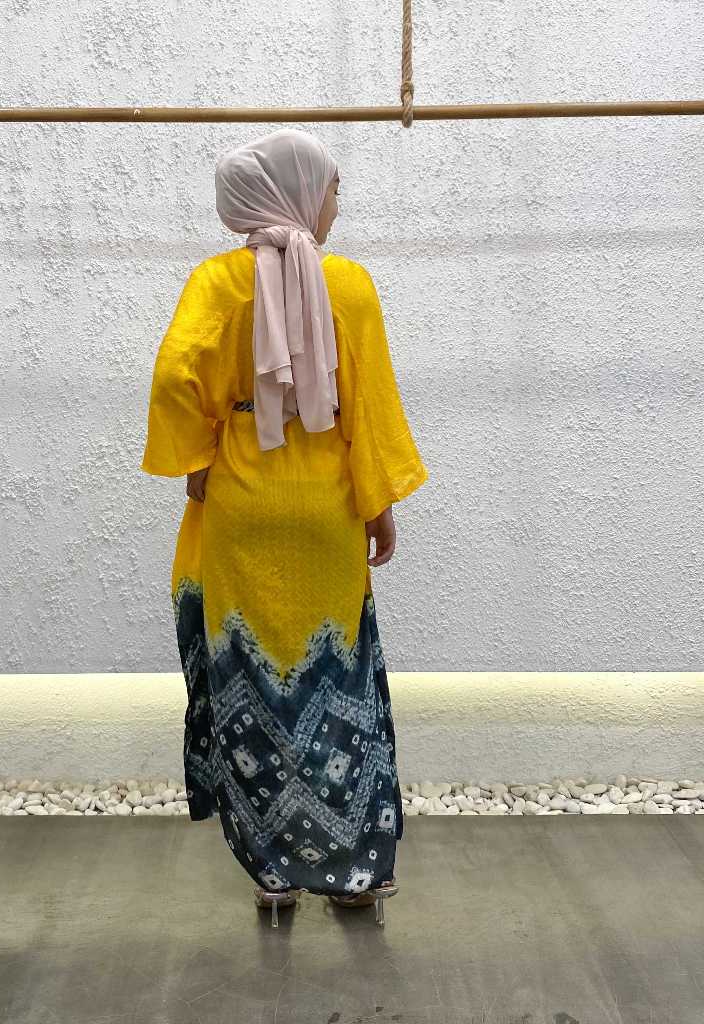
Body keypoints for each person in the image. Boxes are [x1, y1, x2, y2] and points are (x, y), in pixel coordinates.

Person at [140, 127, 428, 926]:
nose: (336, 203)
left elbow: (173, 375)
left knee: (251, 684)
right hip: (324, 508)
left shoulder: (215, 283)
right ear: (298, 192)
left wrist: (196, 456)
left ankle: (272, 871)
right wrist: (378, 502)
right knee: (339, 685)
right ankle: (355, 871)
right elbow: (369, 406)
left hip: (241, 502)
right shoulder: (350, 286)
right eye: (333, 187)